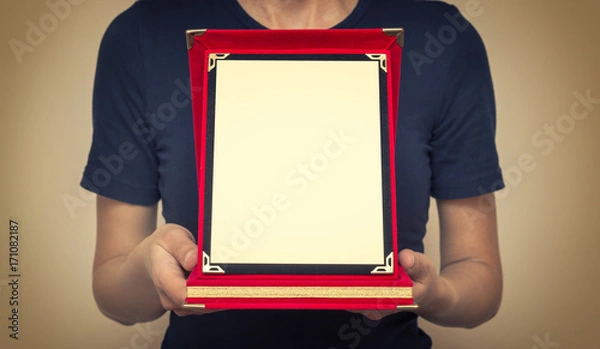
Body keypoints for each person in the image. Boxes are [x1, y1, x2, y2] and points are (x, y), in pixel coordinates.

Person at [81, 0, 504, 348]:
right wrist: (152, 264)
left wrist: (434, 294)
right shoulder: (142, 34)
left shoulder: (443, 36)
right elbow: (113, 290)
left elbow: (478, 277)